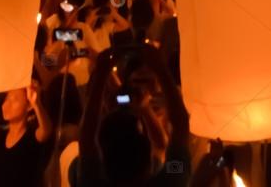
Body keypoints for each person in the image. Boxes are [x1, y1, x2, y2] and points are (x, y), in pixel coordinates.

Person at [77, 44, 190, 186]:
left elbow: (86, 139)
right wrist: (160, 68)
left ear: (102, 159)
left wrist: (101, 74)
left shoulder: (92, 182)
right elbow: (178, 128)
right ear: (148, 161)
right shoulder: (171, 179)